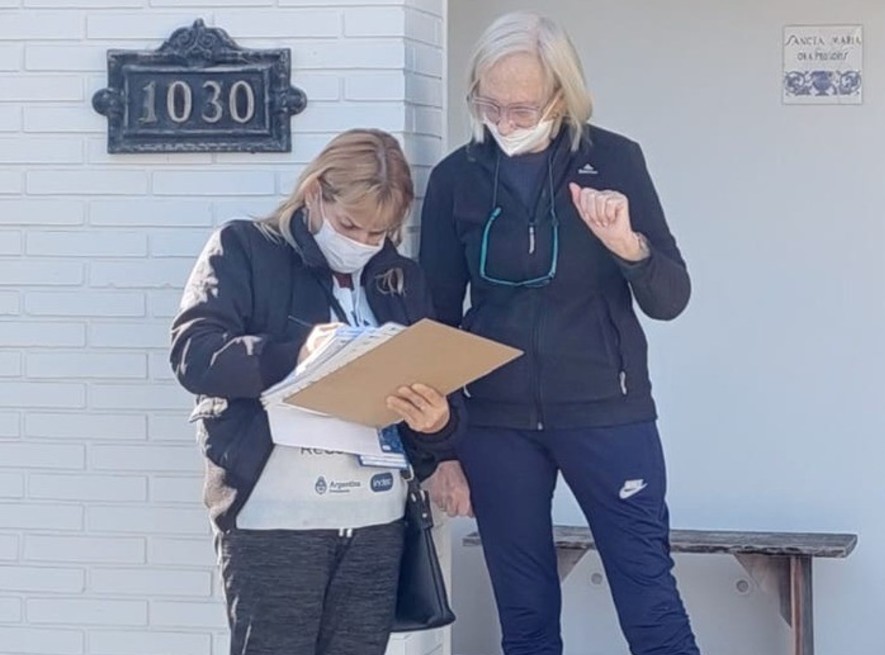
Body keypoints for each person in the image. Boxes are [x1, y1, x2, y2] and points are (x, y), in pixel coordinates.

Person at [419, 11, 699, 655]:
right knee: (525, 618)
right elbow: (435, 320)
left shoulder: (616, 161)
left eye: (523, 108)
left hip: (607, 412)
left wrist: (628, 247)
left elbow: (670, 298)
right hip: (495, 423)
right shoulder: (457, 179)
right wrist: (440, 452)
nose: (505, 122)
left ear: (562, 97)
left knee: (650, 606)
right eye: (490, 105)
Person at [169, 128, 464, 655]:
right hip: (275, 516)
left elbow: (435, 404)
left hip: (375, 521)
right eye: (350, 225)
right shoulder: (245, 247)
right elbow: (195, 354)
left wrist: (437, 422)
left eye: (379, 233)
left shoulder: (399, 278)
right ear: (314, 193)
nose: (362, 243)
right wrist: (297, 354)